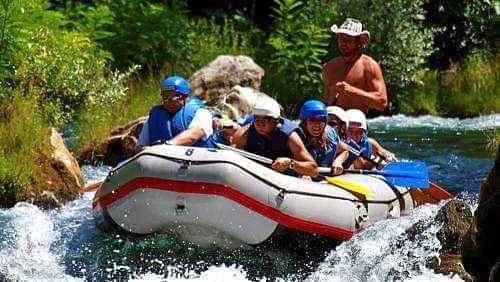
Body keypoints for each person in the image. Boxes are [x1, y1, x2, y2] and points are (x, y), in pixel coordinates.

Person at [232, 96, 318, 177]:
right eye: (257, 118)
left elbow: (314, 170)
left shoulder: (290, 137)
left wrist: (290, 163)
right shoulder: (243, 135)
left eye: (266, 119)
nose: (260, 124)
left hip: (285, 178)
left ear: (276, 120)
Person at [322, 18, 388, 114]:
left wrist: (352, 91)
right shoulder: (329, 67)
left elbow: (382, 102)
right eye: (340, 38)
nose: (342, 43)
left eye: (348, 39)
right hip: (333, 125)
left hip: (356, 125)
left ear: (359, 42)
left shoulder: (369, 66)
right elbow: (325, 101)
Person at [137, 76, 213, 147]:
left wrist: (167, 146)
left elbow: (195, 134)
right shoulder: (154, 117)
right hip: (162, 157)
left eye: (174, 97)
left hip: (197, 156)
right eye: (165, 97)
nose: (169, 102)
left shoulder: (202, 113)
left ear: (185, 97)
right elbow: (140, 145)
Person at [331, 109, 397, 174]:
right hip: (346, 174)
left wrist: (388, 155)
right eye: (350, 131)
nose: (354, 136)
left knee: (383, 163)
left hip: (363, 175)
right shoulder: (337, 144)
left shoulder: (369, 143)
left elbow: (383, 151)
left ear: (363, 132)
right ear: (343, 130)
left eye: (358, 132)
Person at [298, 100, 341, 170]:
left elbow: (345, 150)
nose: (317, 124)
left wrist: (338, 162)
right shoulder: (295, 136)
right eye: (312, 119)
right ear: (304, 122)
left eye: (321, 119)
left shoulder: (331, 135)